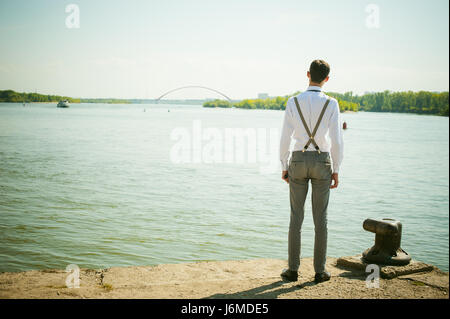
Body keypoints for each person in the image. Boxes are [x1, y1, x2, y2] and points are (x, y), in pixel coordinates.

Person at [279, 59, 344, 283]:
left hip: (297, 159)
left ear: (307, 74)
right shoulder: (332, 103)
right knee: (321, 220)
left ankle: (293, 271)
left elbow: (285, 137)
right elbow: (336, 140)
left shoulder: (293, 101)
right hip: (322, 161)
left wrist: (283, 165)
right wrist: (336, 168)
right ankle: (319, 271)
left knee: (296, 218)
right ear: (327, 79)